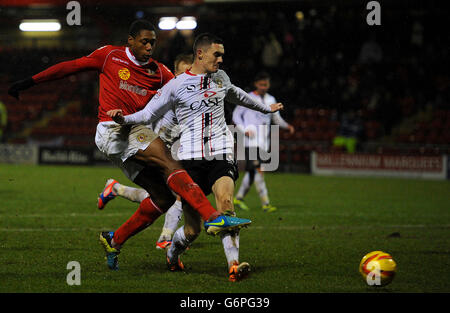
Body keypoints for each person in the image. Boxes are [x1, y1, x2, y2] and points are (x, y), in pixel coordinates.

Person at [7, 21, 251, 271]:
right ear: (130, 40)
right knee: (170, 163)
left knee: (163, 197)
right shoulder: (109, 56)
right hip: (112, 130)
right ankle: (213, 217)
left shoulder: (159, 72)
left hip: (133, 134)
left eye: (153, 42)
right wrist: (29, 82)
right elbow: (71, 67)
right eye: (144, 41)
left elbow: (182, 89)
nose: (149, 46)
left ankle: (114, 239)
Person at [107, 33, 284, 281]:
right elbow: (147, 114)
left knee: (226, 205)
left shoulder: (221, 78)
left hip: (221, 153)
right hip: (189, 160)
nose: (221, 60)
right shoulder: (175, 85)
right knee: (192, 230)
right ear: (200, 54)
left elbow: (237, 94)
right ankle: (173, 253)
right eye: (217, 54)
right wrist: (123, 119)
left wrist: (267, 108)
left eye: (222, 55)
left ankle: (233, 265)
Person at [98, 53, 194, 250]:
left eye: (189, 74)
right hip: (146, 146)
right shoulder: (165, 94)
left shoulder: (191, 99)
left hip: (166, 149)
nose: (186, 78)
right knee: (176, 192)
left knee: (161, 195)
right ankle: (165, 237)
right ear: (173, 74)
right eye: (182, 73)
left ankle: (116, 190)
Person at [232, 71, 294, 212]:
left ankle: (239, 198)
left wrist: (287, 126)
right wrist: (244, 129)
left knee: (253, 172)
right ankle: (266, 203)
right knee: (259, 170)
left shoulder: (271, 99)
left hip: (263, 142)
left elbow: (276, 118)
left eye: (265, 84)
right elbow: (236, 116)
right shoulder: (248, 98)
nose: (263, 87)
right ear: (256, 84)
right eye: (261, 84)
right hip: (250, 141)